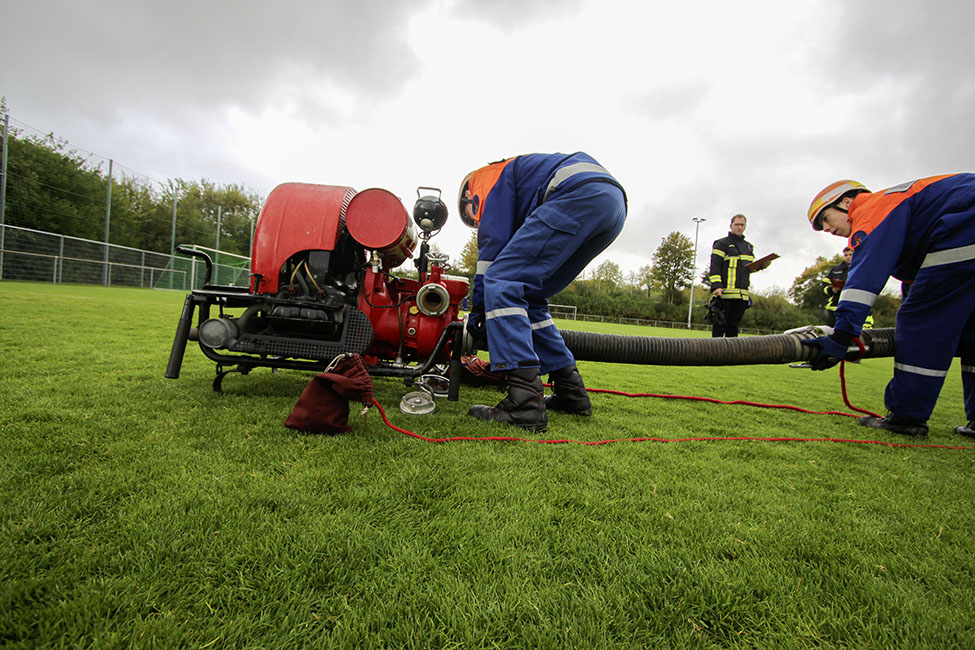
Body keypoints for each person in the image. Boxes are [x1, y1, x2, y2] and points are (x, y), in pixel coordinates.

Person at [459, 152, 627, 432]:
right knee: (530, 296)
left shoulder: (483, 180)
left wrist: (478, 308)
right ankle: (571, 392)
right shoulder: (517, 178)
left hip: (577, 194)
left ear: (468, 196)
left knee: (501, 280)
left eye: (472, 218)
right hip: (612, 205)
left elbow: (491, 253)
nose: (477, 223)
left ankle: (524, 404)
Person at [801, 175, 975, 438]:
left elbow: (865, 276)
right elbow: (916, 279)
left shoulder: (872, 208)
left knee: (922, 326)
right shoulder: (910, 206)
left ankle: (906, 418)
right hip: (962, 235)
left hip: (964, 235)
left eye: (825, 218)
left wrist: (842, 334)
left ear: (847, 202)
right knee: (972, 333)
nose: (826, 228)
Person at [707, 214, 770, 337]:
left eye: (742, 225)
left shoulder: (748, 247)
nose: (740, 227)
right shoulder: (721, 244)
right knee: (719, 326)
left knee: (733, 329)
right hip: (725, 294)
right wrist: (716, 286)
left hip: (742, 296)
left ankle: (731, 355)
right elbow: (715, 266)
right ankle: (714, 354)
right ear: (731, 226)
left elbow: (748, 269)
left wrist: (761, 266)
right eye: (737, 224)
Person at [822, 246, 853, 327]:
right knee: (833, 332)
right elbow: (824, 286)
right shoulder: (835, 269)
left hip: (852, 306)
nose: (848, 257)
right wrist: (832, 289)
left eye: (851, 254)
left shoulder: (860, 268)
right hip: (835, 307)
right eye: (846, 255)